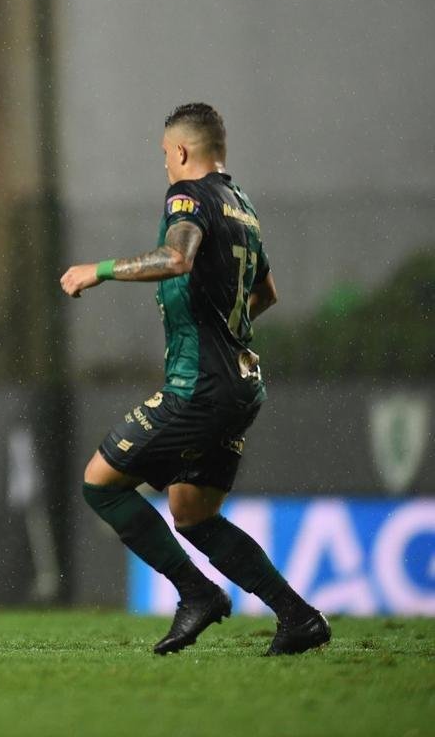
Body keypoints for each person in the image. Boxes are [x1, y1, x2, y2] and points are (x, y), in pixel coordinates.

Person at [59, 102, 331, 656]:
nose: (164, 164)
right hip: (241, 383)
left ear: (182, 151)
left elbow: (177, 257)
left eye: (165, 154)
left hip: (199, 386)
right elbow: (267, 293)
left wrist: (98, 270)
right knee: (193, 513)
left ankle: (197, 593)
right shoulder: (243, 206)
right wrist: (226, 330)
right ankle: (299, 617)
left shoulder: (188, 195)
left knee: (100, 484)